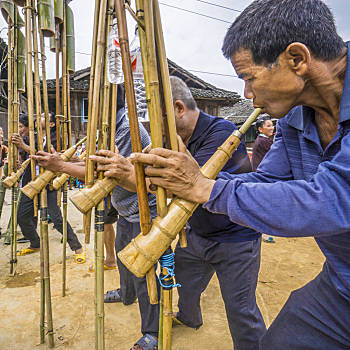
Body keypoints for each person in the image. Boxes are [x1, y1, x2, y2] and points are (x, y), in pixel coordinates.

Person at [128, 0, 350, 348]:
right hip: (342, 282)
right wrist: (197, 185)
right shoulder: (295, 117)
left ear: (297, 59)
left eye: (249, 78)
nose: (248, 95)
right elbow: (266, 182)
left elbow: (333, 199)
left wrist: (205, 188)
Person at [90, 76, 266, 349]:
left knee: (240, 311)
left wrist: (129, 176)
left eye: (158, 120)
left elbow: (188, 189)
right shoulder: (174, 139)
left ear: (179, 109)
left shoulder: (222, 134)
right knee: (180, 286)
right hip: (196, 235)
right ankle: (188, 319)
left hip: (236, 238)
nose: (153, 130)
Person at [32, 107, 160, 350]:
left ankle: (153, 332)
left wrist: (61, 167)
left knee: (144, 273)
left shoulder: (124, 129)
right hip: (125, 208)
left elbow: (107, 172)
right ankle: (126, 293)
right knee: (123, 259)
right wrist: (66, 161)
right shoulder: (108, 126)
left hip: (144, 210)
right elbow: (95, 161)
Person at [12, 114, 85, 263]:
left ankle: (77, 248)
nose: (40, 116)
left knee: (57, 219)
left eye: (44, 116)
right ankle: (35, 243)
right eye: (39, 115)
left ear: (51, 124)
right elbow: (22, 156)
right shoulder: (28, 137)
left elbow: (50, 159)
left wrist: (25, 147)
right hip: (30, 184)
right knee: (21, 216)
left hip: (48, 184)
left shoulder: (56, 139)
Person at [252, 116, 275, 243]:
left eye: (272, 125)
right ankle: (263, 232)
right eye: (268, 126)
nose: (272, 128)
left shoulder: (262, 141)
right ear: (260, 129)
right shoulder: (265, 142)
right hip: (263, 177)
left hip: (259, 175)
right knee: (264, 205)